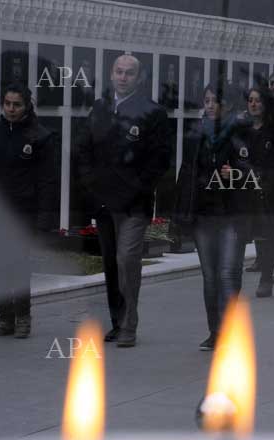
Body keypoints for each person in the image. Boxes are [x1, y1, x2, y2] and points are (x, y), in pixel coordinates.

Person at [76, 55, 172, 347]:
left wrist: (136, 187)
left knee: (127, 259)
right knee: (110, 263)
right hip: (104, 201)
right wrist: (92, 184)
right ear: (111, 74)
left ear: (139, 78)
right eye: (118, 71)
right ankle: (118, 321)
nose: (123, 77)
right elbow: (84, 149)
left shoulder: (152, 113)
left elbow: (160, 160)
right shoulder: (100, 108)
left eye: (129, 73)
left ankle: (129, 324)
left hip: (134, 203)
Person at [173, 80, 250, 350]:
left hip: (231, 212)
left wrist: (237, 172)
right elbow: (186, 172)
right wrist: (180, 212)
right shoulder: (196, 133)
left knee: (228, 273)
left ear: (226, 104)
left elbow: (255, 169)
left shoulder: (240, 131)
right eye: (205, 100)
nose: (208, 106)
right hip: (204, 213)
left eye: (213, 101)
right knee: (209, 276)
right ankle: (214, 331)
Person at [0, 82, 57, 338]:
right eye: (7, 104)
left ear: (27, 105)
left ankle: (23, 317)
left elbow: (47, 180)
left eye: (17, 104)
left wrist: (45, 219)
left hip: (25, 211)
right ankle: (5, 318)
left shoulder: (40, 137)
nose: (11, 109)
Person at [237, 86, 274, 297]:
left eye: (257, 100)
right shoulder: (242, 130)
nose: (253, 104)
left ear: (265, 105)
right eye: (250, 100)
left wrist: (268, 182)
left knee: (266, 236)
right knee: (244, 236)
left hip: (268, 191)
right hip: (244, 189)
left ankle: (267, 278)